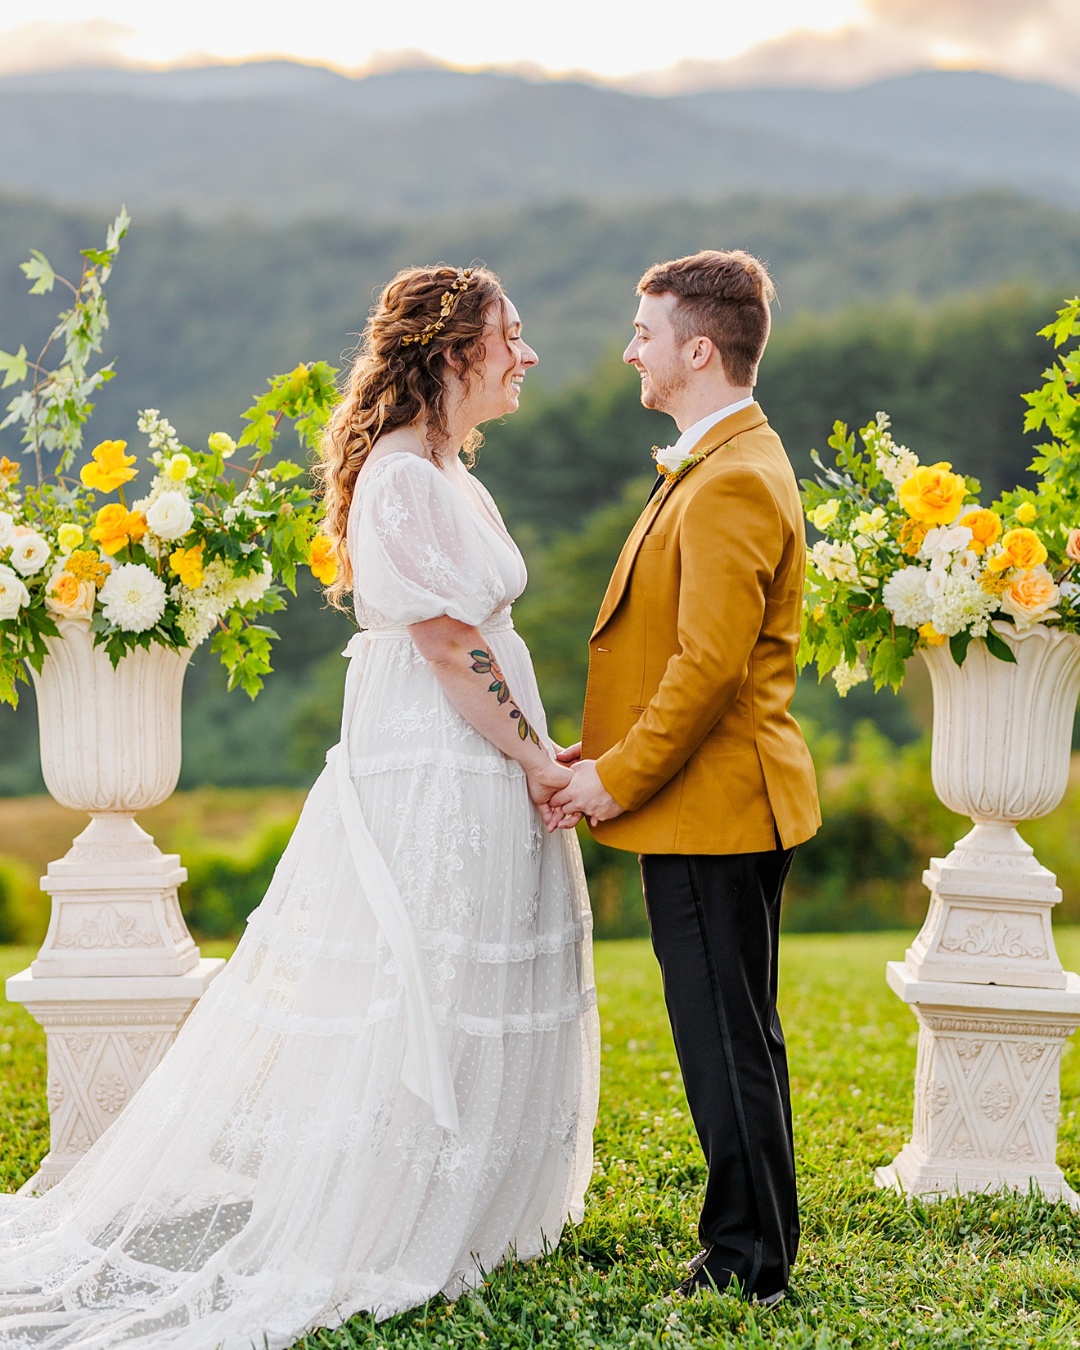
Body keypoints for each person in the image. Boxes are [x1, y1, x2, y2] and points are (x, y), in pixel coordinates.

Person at [0, 265, 600, 1348]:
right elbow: (450, 646)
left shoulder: (451, 471)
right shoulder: (406, 478)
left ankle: (463, 1205)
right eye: (514, 335)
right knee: (424, 969)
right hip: (436, 756)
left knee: (468, 964)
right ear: (457, 349)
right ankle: (395, 1208)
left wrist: (531, 751)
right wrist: (536, 762)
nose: (530, 354)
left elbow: (479, 640)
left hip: (478, 751)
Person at [548, 249, 820, 1305]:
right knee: (737, 1030)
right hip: (716, 801)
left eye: (645, 334)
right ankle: (759, 1244)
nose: (631, 352)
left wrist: (615, 780)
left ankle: (749, 1264)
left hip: (713, 806)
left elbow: (709, 666)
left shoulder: (736, 474)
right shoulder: (724, 461)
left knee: (724, 1038)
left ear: (698, 350)